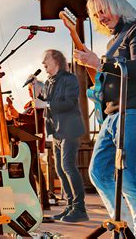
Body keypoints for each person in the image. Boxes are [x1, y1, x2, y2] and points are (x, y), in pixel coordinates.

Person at [74, 0, 136, 238]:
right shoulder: (113, 41)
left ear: (117, 4)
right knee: (98, 171)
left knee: (131, 174)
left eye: (103, 10)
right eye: (95, 14)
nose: (100, 17)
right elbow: (109, 79)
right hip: (112, 116)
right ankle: (125, 225)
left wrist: (99, 62)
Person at [33, 49, 88, 222]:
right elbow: (45, 100)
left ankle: (80, 209)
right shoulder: (49, 81)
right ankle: (70, 206)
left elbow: (69, 103)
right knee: (60, 169)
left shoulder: (69, 79)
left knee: (68, 166)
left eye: (46, 59)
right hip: (56, 130)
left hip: (70, 128)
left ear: (56, 60)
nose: (43, 63)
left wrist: (46, 103)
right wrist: (36, 87)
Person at [4, 85, 50, 209]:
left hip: (32, 143)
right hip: (27, 142)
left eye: (30, 89)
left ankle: (35, 202)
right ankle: (43, 202)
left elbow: (32, 120)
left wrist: (16, 115)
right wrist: (12, 115)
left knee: (30, 173)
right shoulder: (29, 105)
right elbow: (23, 122)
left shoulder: (39, 104)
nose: (29, 91)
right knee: (35, 172)